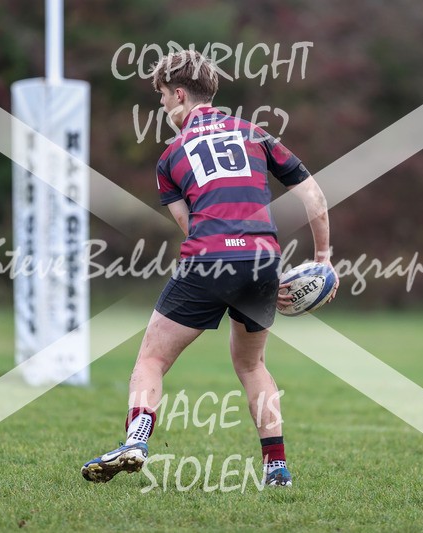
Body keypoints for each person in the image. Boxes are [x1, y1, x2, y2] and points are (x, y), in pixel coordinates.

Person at [81, 51, 336, 488]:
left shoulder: (170, 158)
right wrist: (322, 259)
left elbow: (191, 227)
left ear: (179, 93)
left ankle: (136, 442)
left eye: (162, 97)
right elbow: (314, 196)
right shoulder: (256, 134)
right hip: (262, 259)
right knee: (252, 366)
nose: (162, 107)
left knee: (152, 359)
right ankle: (276, 469)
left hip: (208, 259)